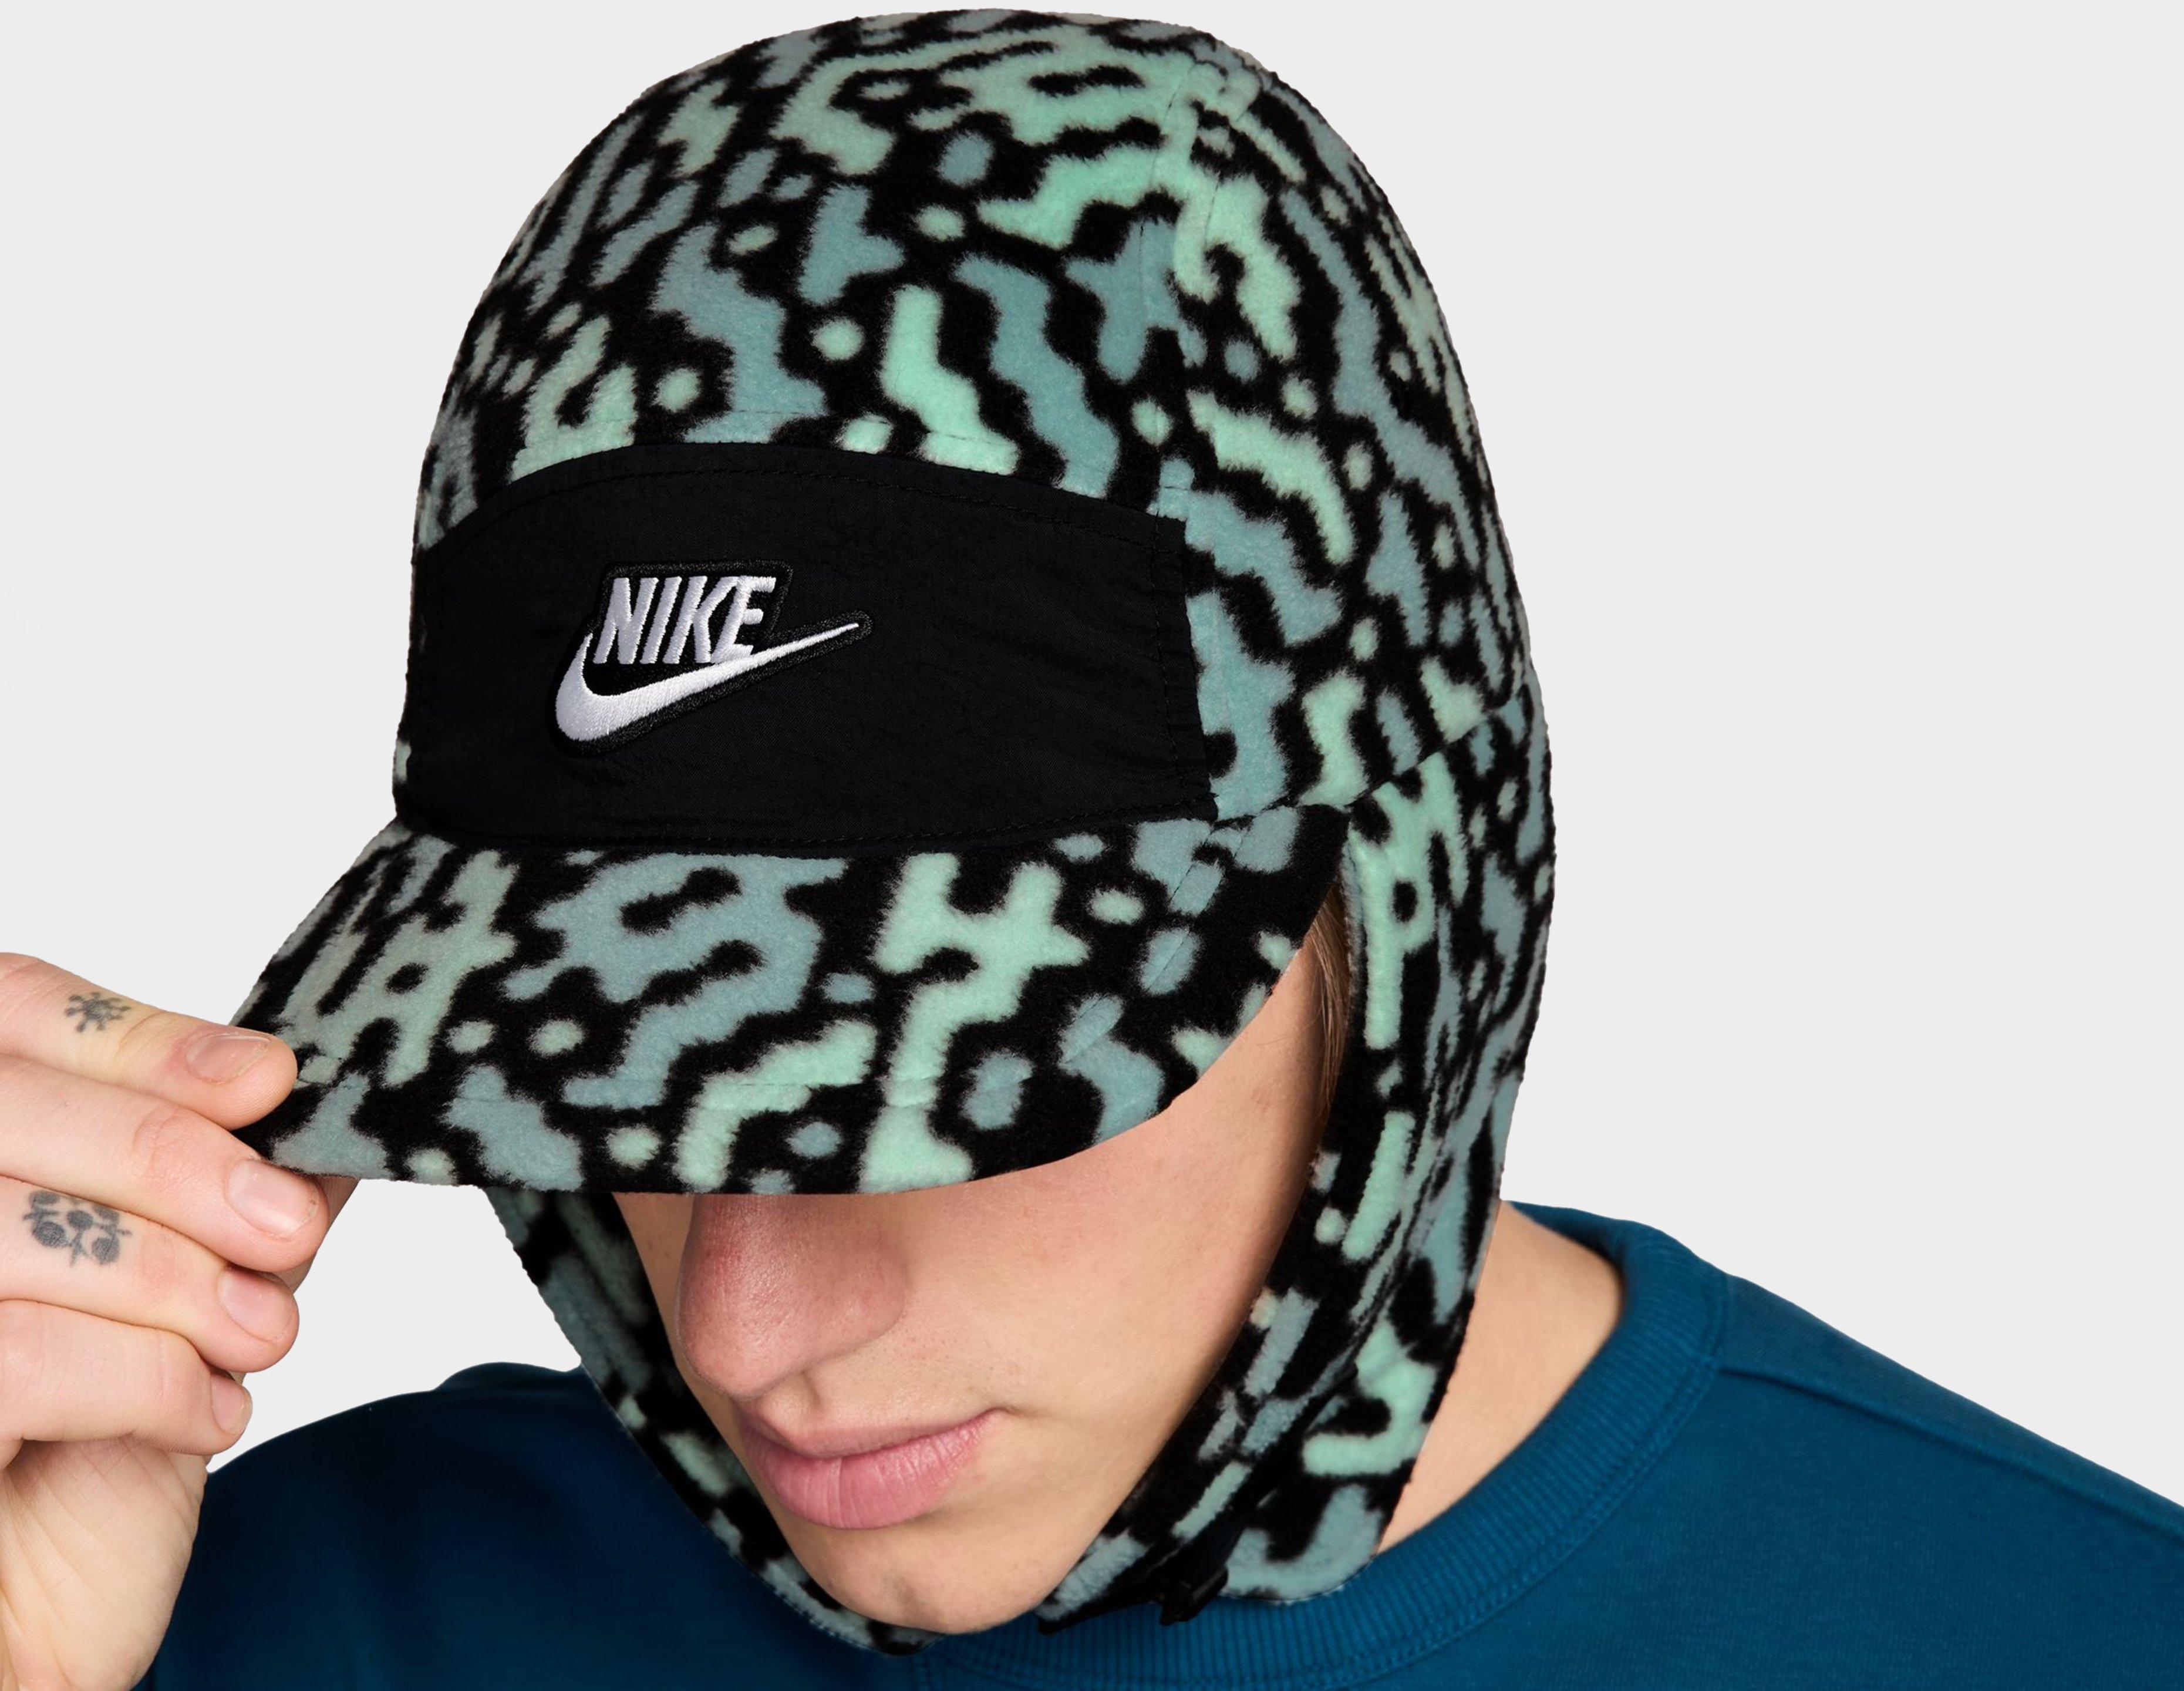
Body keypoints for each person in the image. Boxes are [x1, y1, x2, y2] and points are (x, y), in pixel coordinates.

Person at [0, 14, 2175, 1689]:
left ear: (1406, 911)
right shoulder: (250, 1613)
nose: (745, 1325)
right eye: (617, 1080)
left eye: (943, 1085)